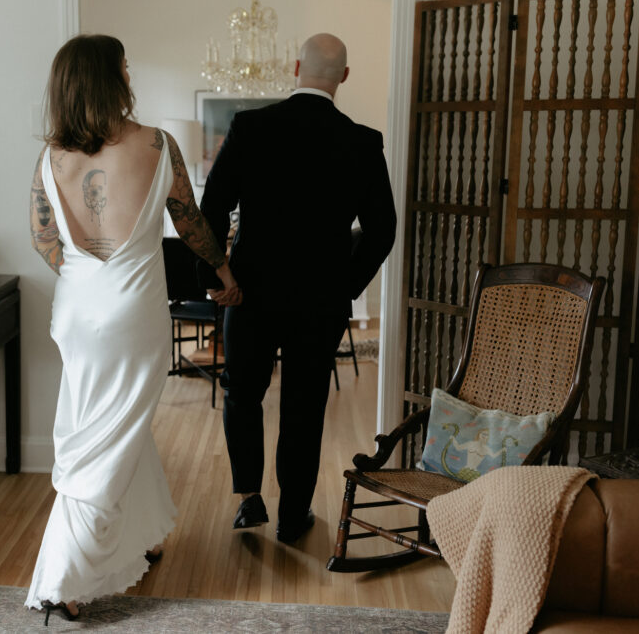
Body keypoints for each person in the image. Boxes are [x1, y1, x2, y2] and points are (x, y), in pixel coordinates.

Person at [25, 34, 241, 623]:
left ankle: (143, 534)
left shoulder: (52, 157)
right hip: (133, 310)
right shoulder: (156, 144)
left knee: (105, 421)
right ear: (108, 77)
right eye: (122, 66)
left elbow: (44, 238)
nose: (129, 73)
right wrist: (223, 272)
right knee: (110, 432)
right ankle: (64, 578)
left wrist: (83, 276)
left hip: (75, 309)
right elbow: (189, 221)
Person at [197, 33, 396, 544]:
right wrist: (346, 286)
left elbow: (211, 211)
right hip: (320, 300)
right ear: (344, 78)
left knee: (241, 393)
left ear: (294, 67)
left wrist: (219, 279)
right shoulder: (362, 141)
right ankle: (292, 517)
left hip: (250, 293)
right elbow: (383, 230)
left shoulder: (250, 127)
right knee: (303, 408)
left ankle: (248, 499)